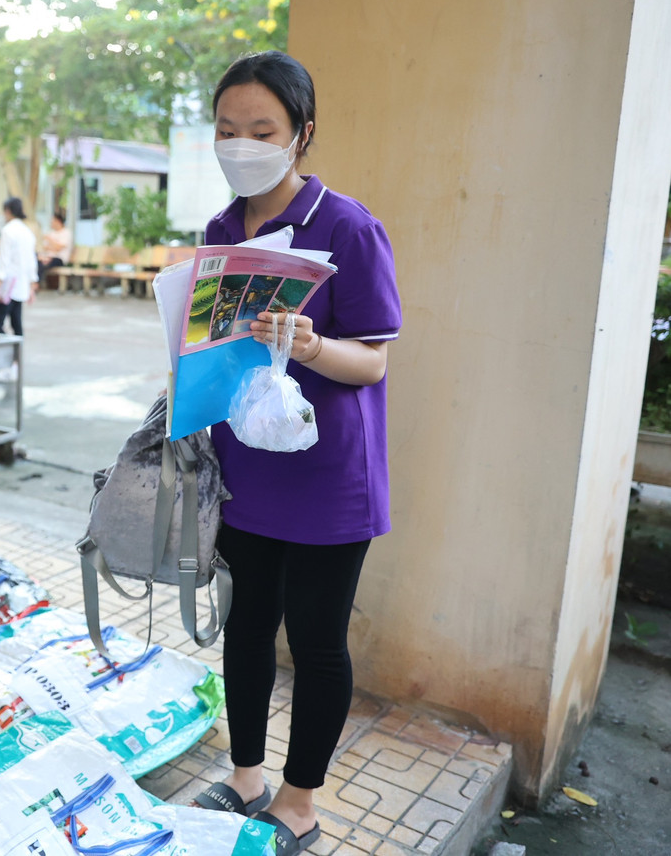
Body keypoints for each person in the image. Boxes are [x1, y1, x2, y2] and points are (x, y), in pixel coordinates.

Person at [189, 51, 401, 856]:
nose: (241, 145)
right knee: (245, 631)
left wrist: (312, 346)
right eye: (227, 130)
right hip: (246, 467)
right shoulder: (219, 230)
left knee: (315, 643)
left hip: (327, 479)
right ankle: (245, 777)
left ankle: (300, 804)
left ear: (302, 134)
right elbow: (217, 350)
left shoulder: (347, 226)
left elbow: (373, 360)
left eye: (261, 130)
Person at [0, 196, 38, 382]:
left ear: (8, 211)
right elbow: (31, 262)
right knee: (17, 324)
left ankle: (5, 362)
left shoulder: (8, 231)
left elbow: (3, 262)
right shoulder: (28, 232)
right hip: (21, 287)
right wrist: (32, 286)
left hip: (7, 287)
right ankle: (15, 364)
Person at [38, 209, 71, 281]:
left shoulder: (66, 233)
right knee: (36, 261)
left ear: (58, 221)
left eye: (52, 221)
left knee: (44, 264)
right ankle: (35, 284)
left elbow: (58, 248)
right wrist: (53, 247)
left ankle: (36, 284)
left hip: (59, 259)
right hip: (48, 256)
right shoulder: (52, 233)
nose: (51, 223)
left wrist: (50, 240)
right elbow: (45, 247)